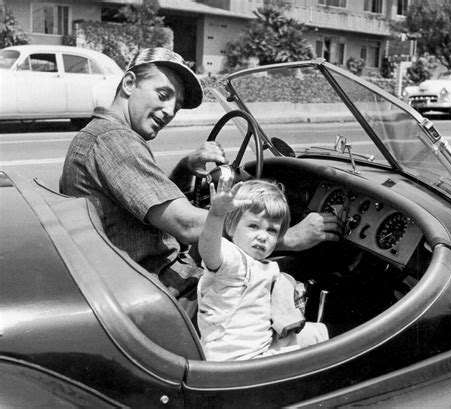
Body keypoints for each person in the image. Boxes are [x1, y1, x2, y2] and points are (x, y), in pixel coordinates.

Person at [60, 47, 343, 317]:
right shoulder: (113, 140)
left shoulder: (103, 135)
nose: (169, 110)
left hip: (136, 277)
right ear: (130, 84)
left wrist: (185, 168)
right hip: (163, 290)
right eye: (163, 94)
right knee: (284, 276)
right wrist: (287, 237)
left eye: (177, 105)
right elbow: (185, 225)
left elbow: (145, 207)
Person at [198, 177, 329, 361]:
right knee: (324, 347)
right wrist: (216, 215)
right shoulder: (233, 259)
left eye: (272, 230)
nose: (262, 236)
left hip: (260, 346)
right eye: (254, 226)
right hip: (236, 361)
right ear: (231, 226)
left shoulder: (262, 264)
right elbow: (208, 249)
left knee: (318, 333)